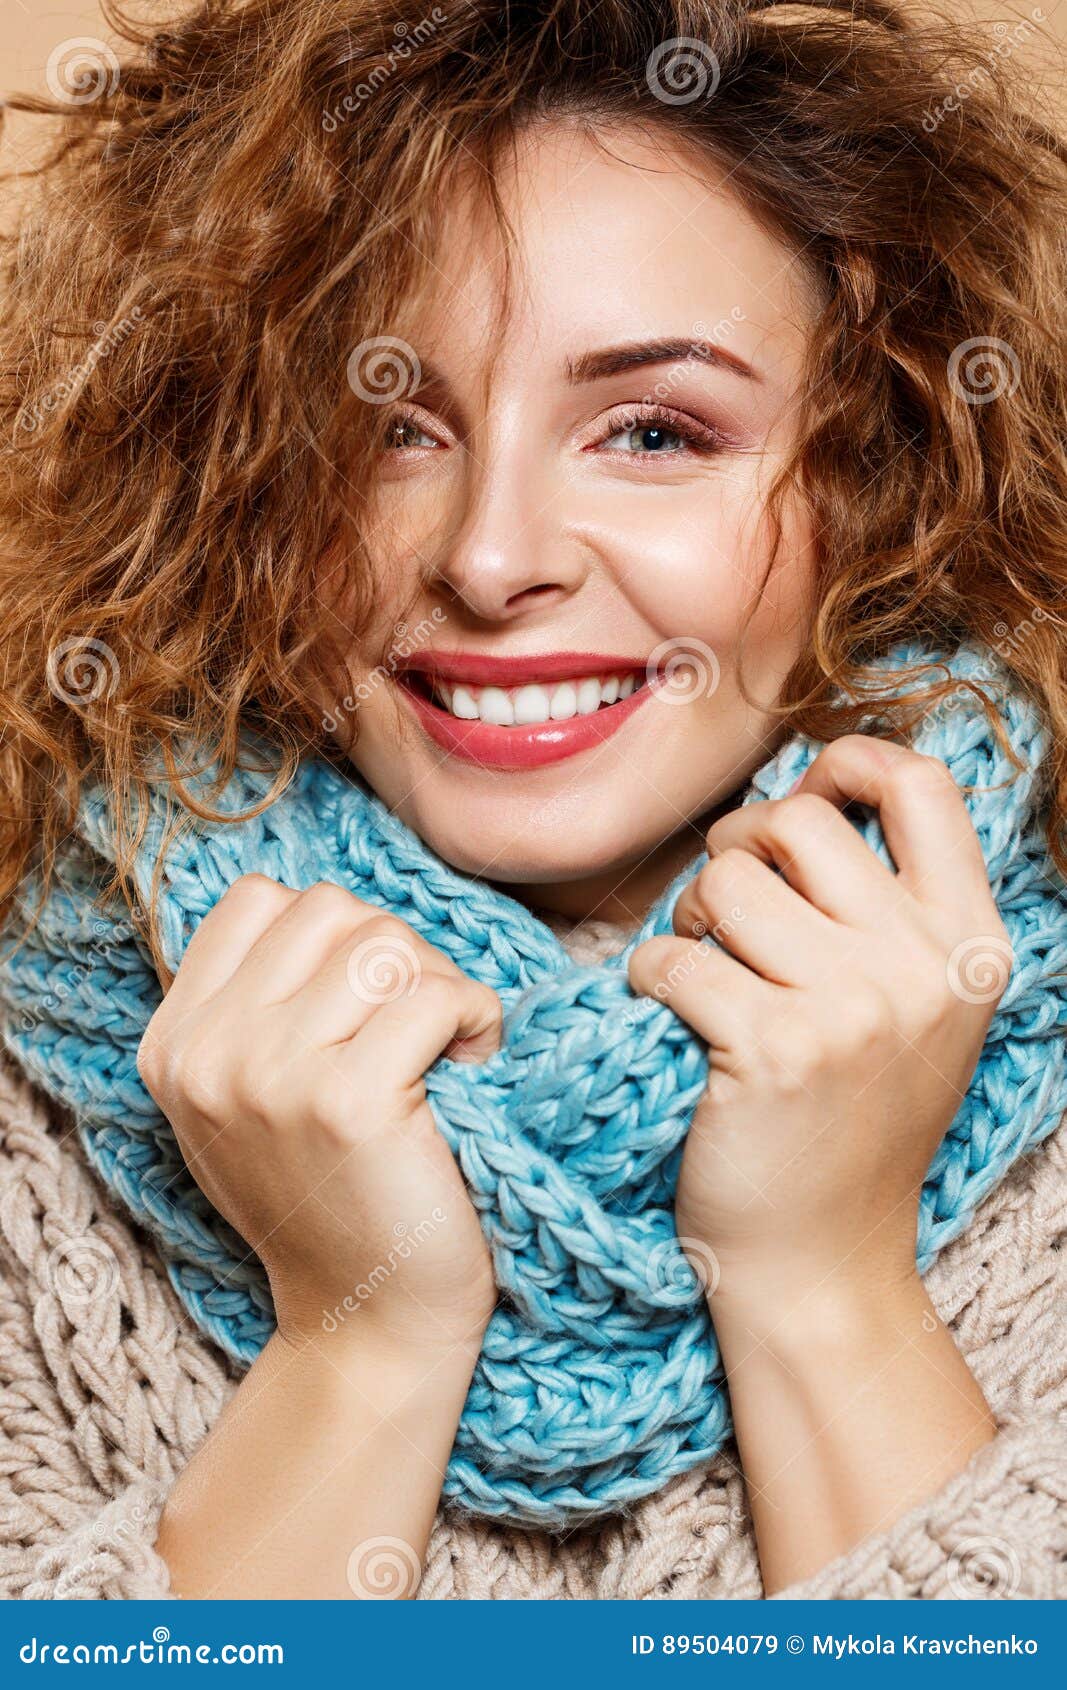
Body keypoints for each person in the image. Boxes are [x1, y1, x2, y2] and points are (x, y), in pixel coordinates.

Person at [0, 0, 1063, 1601]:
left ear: (887, 481)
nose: (492, 556)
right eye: (385, 428)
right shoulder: (36, 1127)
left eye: (653, 430)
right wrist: (358, 1340)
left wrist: (821, 1275)